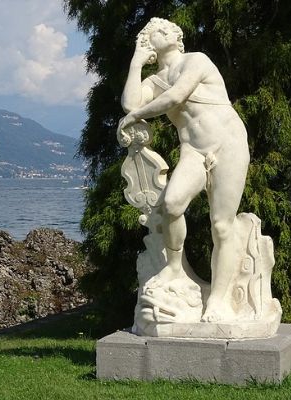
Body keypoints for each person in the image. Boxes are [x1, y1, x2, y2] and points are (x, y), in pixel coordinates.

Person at [119, 18, 249, 322]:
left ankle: (219, 301)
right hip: (193, 150)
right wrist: (137, 62)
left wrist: (135, 115)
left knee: (221, 226)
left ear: (175, 37)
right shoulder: (155, 81)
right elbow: (130, 103)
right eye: (148, 34)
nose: (153, 36)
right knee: (172, 204)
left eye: (159, 31)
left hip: (227, 142)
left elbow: (175, 97)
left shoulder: (197, 60)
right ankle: (175, 269)